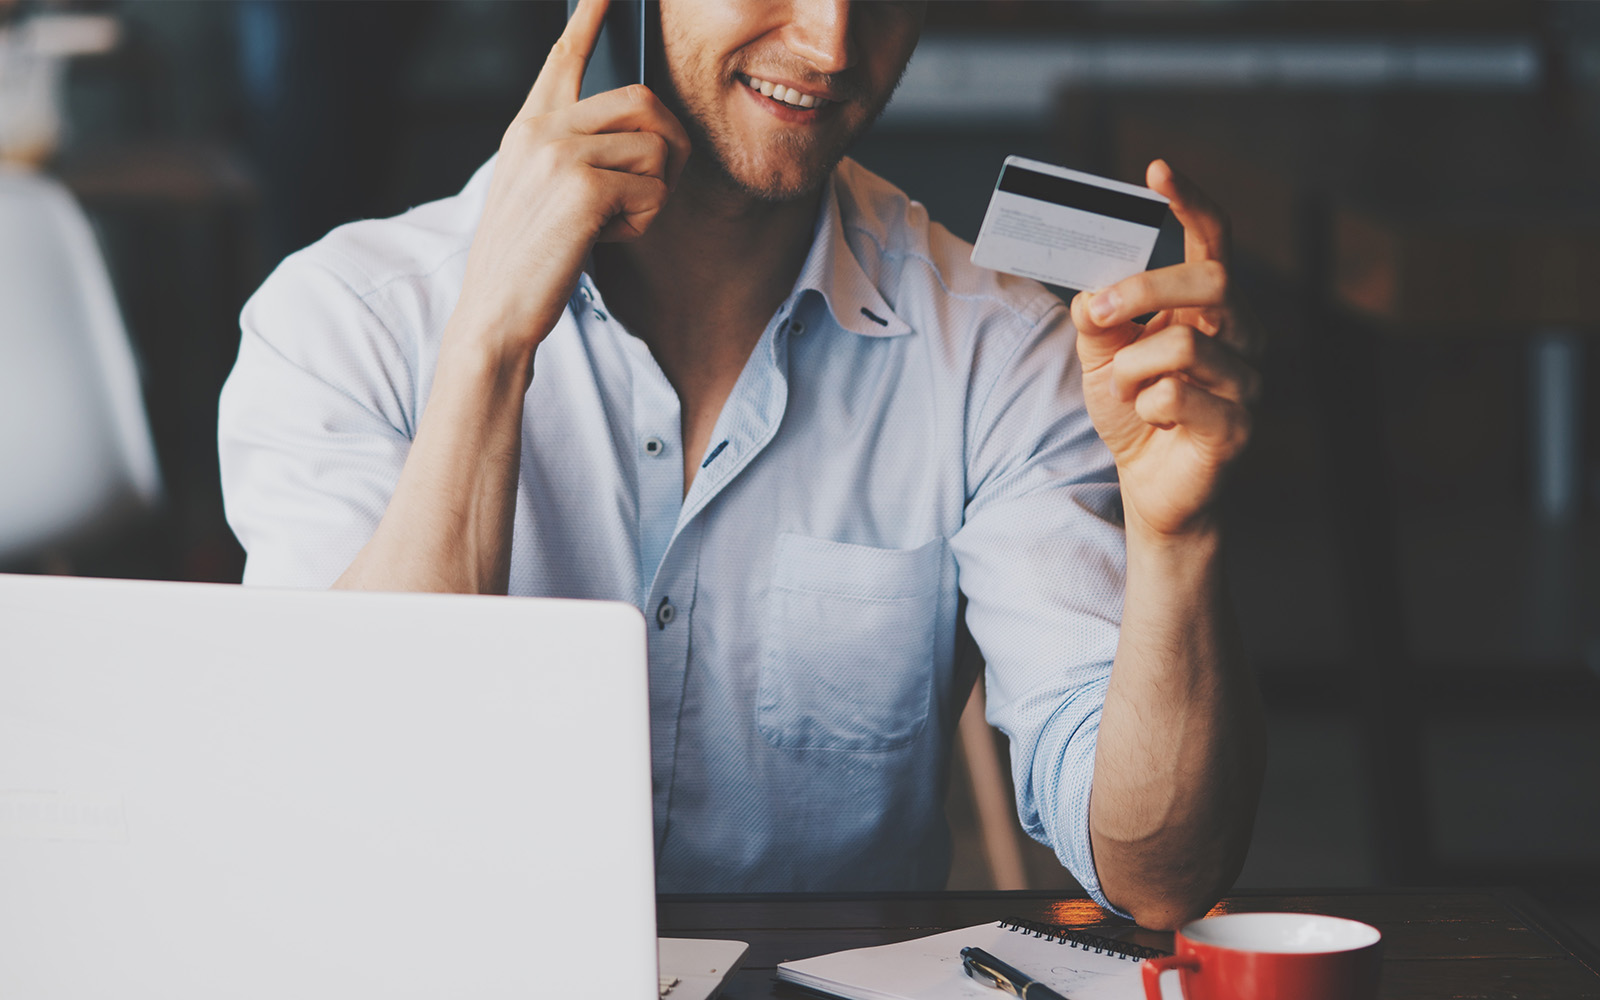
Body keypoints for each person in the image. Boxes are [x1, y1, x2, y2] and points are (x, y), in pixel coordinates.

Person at [218, 0, 1265, 930]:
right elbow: (343, 810)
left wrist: (1178, 539)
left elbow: (1157, 876)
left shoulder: (998, 351)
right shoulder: (342, 324)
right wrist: (488, 346)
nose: (831, 40)